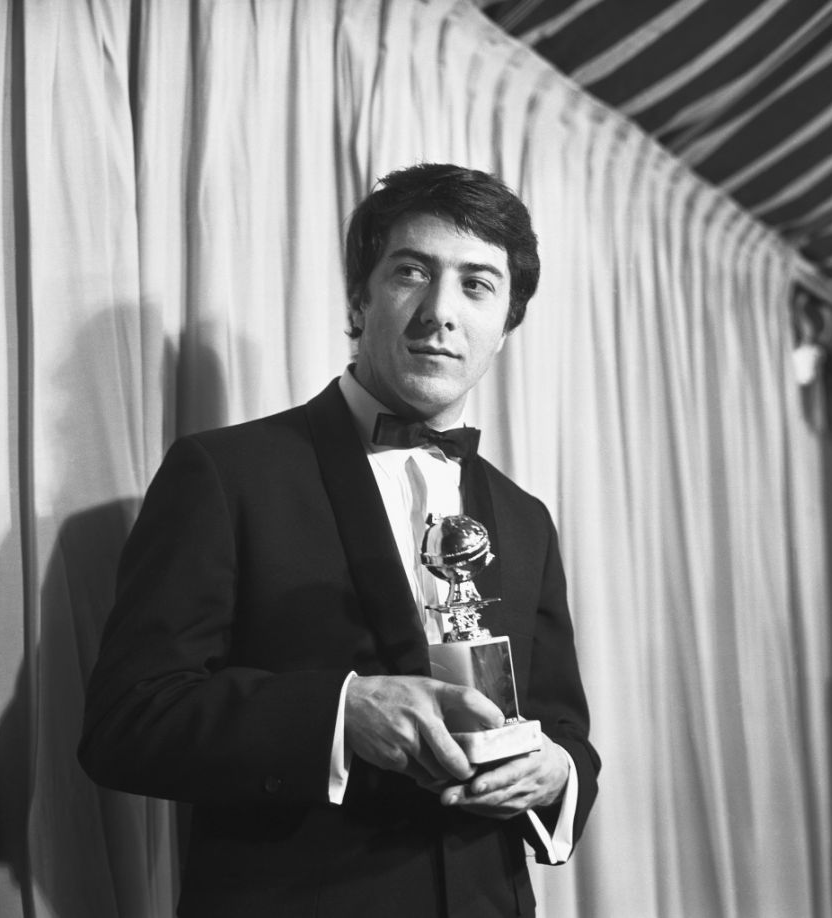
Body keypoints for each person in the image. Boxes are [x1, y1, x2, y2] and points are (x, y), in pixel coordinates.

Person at [79, 163, 599, 917]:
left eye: (477, 285)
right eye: (412, 272)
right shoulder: (225, 474)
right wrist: (340, 713)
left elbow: (566, 732)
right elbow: (128, 722)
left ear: (507, 322)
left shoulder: (527, 520)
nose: (441, 312)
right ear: (360, 296)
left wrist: (556, 774)